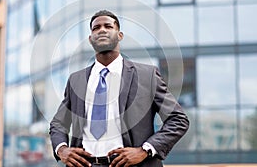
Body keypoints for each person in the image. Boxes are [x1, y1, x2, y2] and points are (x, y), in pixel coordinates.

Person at [50, 10, 189, 167]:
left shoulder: (147, 75)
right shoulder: (76, 80)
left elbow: (178, 119)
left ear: (120, 35)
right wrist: (61, 149)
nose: (101, 30)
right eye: (96, 28)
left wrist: (145, 150)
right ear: (90, 39)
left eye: (108, 26)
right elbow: (58, 123)